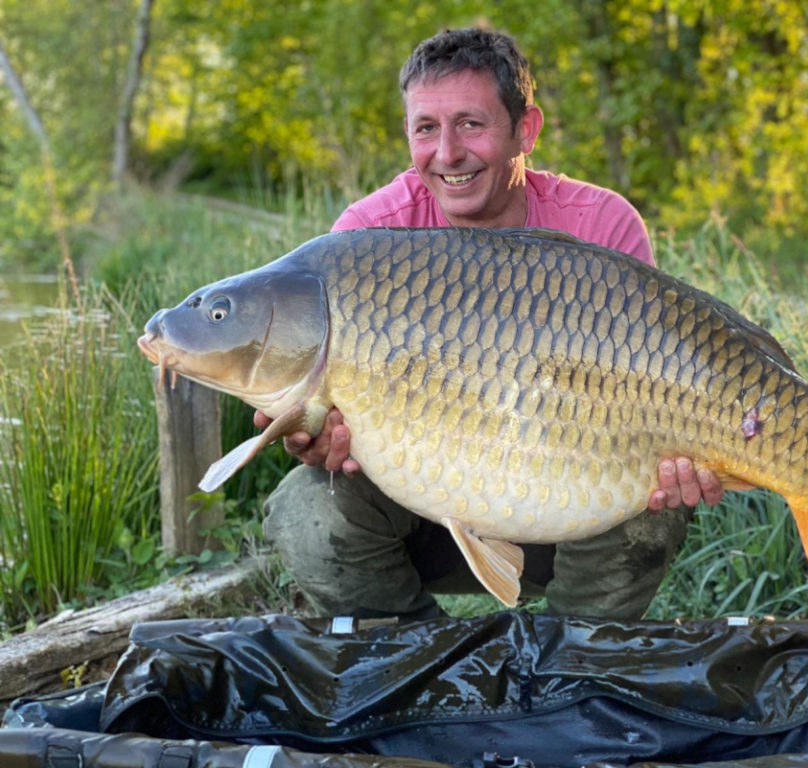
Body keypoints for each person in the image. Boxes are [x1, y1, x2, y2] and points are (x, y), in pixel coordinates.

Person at [258, 27, 724, 621]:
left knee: (653, 507)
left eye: (471, 124)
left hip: (575, 503)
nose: (447, 153)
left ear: (525, 129)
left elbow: (653, 391)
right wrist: (315, 437)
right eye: (426, 128)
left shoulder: (603, 226)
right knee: (307, 511)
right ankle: (414, 663)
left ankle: (570, 662)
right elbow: (327, 423)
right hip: (420, 509)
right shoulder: (366, 239)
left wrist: (691, 456)